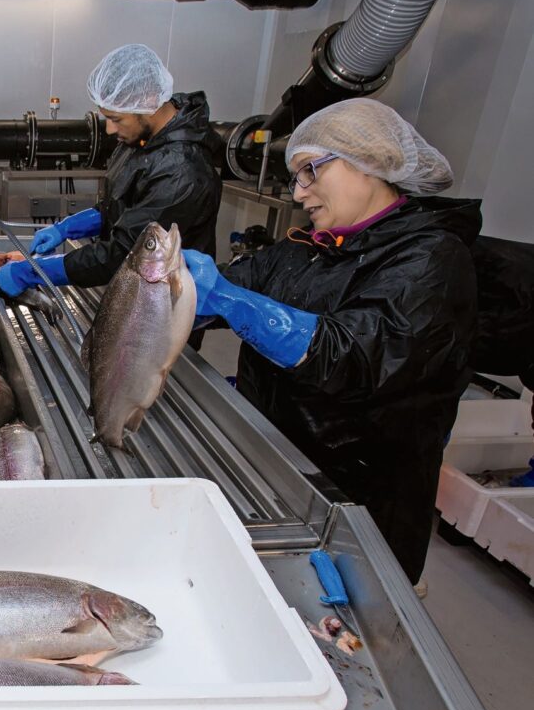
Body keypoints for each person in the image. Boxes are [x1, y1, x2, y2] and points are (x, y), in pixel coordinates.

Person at [182, 98, 480, 585]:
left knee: (340, 636)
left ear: (373, 161)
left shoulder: (432, 260)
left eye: (310, 171)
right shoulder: (309, 248)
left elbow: (353, 355)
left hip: (360, 506)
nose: (299, 193)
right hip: (277, 470)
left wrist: (234, 302)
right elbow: (234, 285)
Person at [0, 44, 220, 300]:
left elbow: (124, 254)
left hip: (166, 307)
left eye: (116, 119)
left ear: (147, 104)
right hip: (134, 292)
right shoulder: (143, 140)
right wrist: (66, 228)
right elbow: (121, 207)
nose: (110, 130)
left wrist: (32, 272)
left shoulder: (182, 171)